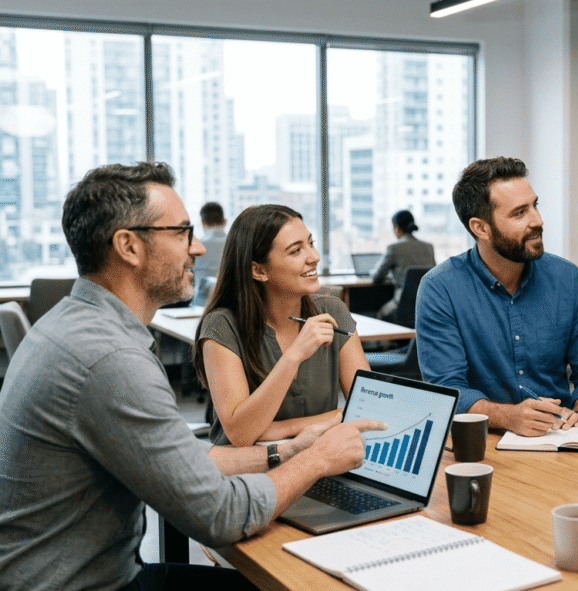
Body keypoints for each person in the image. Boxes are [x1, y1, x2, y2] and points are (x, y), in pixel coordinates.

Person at [0, 162, 385, 591]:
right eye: (182, 232)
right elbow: (222, 517)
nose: (198, 247)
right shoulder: (109, 358)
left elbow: (183, 457)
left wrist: (289, 450)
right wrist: (317, 461)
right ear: (128, 246)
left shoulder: (74, 326)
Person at [417, 156, 578, 437]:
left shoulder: (567, 278)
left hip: (558, 438)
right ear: (480, 228)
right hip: (481, 442)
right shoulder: (440, 288)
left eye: (535, 205)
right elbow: (448, 389)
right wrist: (509, 416)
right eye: (520, 213)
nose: (538, 220)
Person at [195, 204, 372, 447]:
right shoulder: (221, 325)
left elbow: (367, 408)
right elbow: (241, 434)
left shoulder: (332, 310)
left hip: (319, 462)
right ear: (258, 270)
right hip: (247, 474)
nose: (314, 257)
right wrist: (294, 356)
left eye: (311, 243)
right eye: (296, 251)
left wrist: (271, 430)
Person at [370, 209, 436, 323]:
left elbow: (376, 277)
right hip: (427, 305)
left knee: (380, 315)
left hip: (401, 304)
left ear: (396, 228)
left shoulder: (394, 248)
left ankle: (388, 342)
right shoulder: (428, 247)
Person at [192, 201, 227, 302]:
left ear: (203, 222)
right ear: (224, 221)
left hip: (201, 302)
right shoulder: (236, 244)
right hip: (230, 302)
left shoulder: (196, 246)